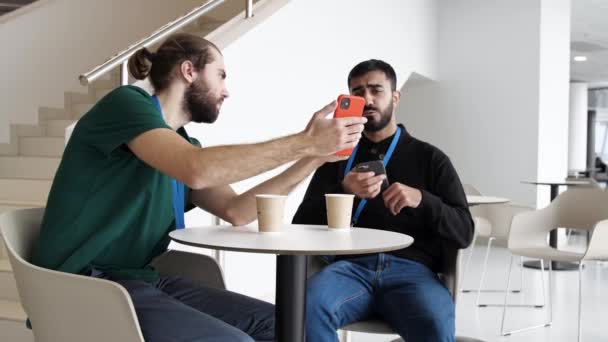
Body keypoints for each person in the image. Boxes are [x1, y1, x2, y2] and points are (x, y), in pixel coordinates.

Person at [32, 33, 366, 342]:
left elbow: (238, 211)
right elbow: (197, 169)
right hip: (85, 285)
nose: (226, 90)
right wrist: (304, 141)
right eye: (221, 74)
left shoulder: (180, 144)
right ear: (189, 71)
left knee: (289, 325)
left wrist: (314, 156)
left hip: (139, 280)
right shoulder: (125, 105)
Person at [293, 59, 474, 342]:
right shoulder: (335, 159)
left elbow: (464, 232)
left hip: (413, 272)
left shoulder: (431, 159)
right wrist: (344, 191)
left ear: (395, 97)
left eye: (376, 90)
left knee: (436, 323)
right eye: (358, 92)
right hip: (349, 270)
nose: (367, 98)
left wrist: (423, 200)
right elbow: (301, 226)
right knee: (303, 308)